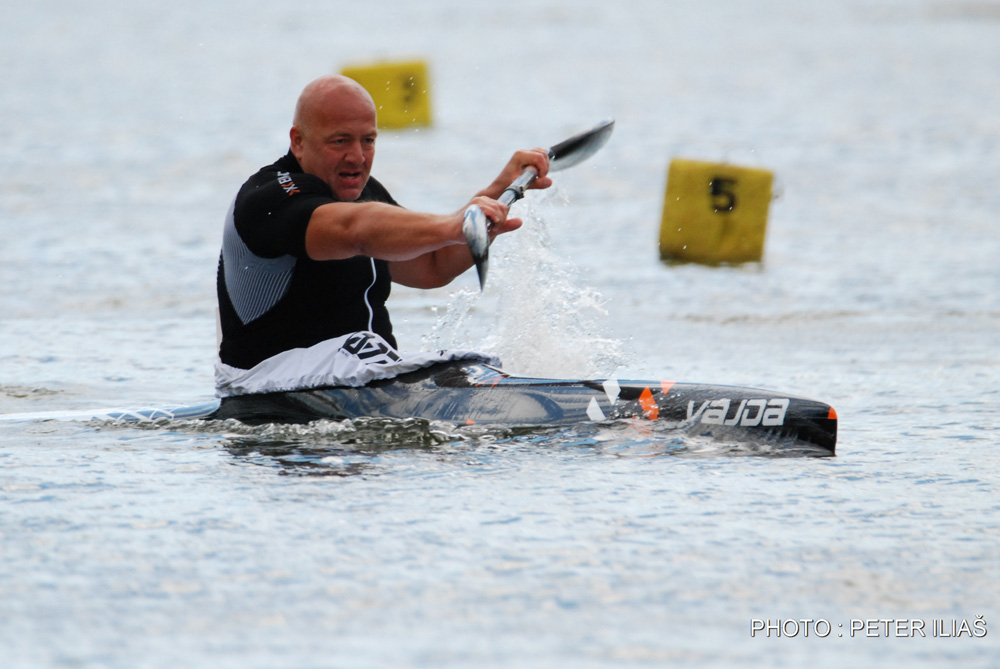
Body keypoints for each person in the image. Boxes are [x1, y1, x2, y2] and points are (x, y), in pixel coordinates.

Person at [214, 74, 551, 393]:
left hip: (352, 380)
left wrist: (496, 193)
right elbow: (353, 230)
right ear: (298, 142)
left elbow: (432, 264)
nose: (357, 157)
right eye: (340, 141)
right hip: (267, 389)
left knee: (472, 366)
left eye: (368, 140)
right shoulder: (267, 200)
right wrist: (453, 224)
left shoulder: (361, 191)